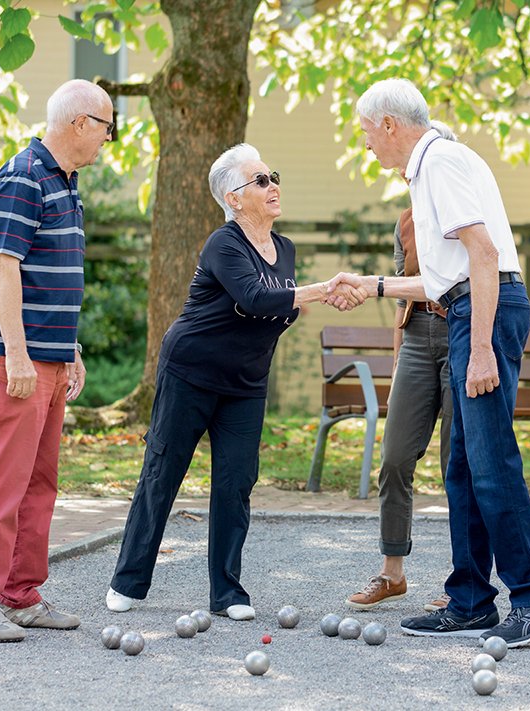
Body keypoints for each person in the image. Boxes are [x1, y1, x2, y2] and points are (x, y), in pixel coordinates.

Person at [334, 78, 530, 648]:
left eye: (367, 134)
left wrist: (483, 345)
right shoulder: (432, 167)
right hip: (469, 304)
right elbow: (443, 276)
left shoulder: (438, 162)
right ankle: (469, 600)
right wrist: (372, 284)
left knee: (490, 461)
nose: (368, 146)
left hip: (483, 313)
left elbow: (484, 255)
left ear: (390, 125)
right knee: (463, 466)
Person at [106, 144, 368, 620]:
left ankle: (227, 593)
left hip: (246, 382)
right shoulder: (223, 244)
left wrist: (320, 298)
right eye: (261, 181)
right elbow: (255, 295)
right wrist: (320, 291)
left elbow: (276, 308)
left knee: (235, 483)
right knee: (162, 474)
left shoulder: (284, 248)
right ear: (234, 197)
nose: (273, 187)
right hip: (191, 371)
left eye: (274, 176)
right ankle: (128, 581)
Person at [0, 79, 114, 642]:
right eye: (106, 127)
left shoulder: (65, 184)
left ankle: (20, 595)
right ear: (79, 123)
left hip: (49, 358)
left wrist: (69, 349)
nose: (107, 139)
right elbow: (4, 266)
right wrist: (18, 355)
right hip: (12, 358)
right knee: (4, 481)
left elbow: (54, 277)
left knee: (40, 482)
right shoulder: (24, 176)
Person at [346, 122, 457, 613]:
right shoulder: (406, 222)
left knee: (461, 463)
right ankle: (392, 572)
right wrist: (396, 363)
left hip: (458, 333)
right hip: (416, 337)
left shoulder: (465, 209)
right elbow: (401, 291)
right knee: (394, 458)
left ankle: (466, 580)